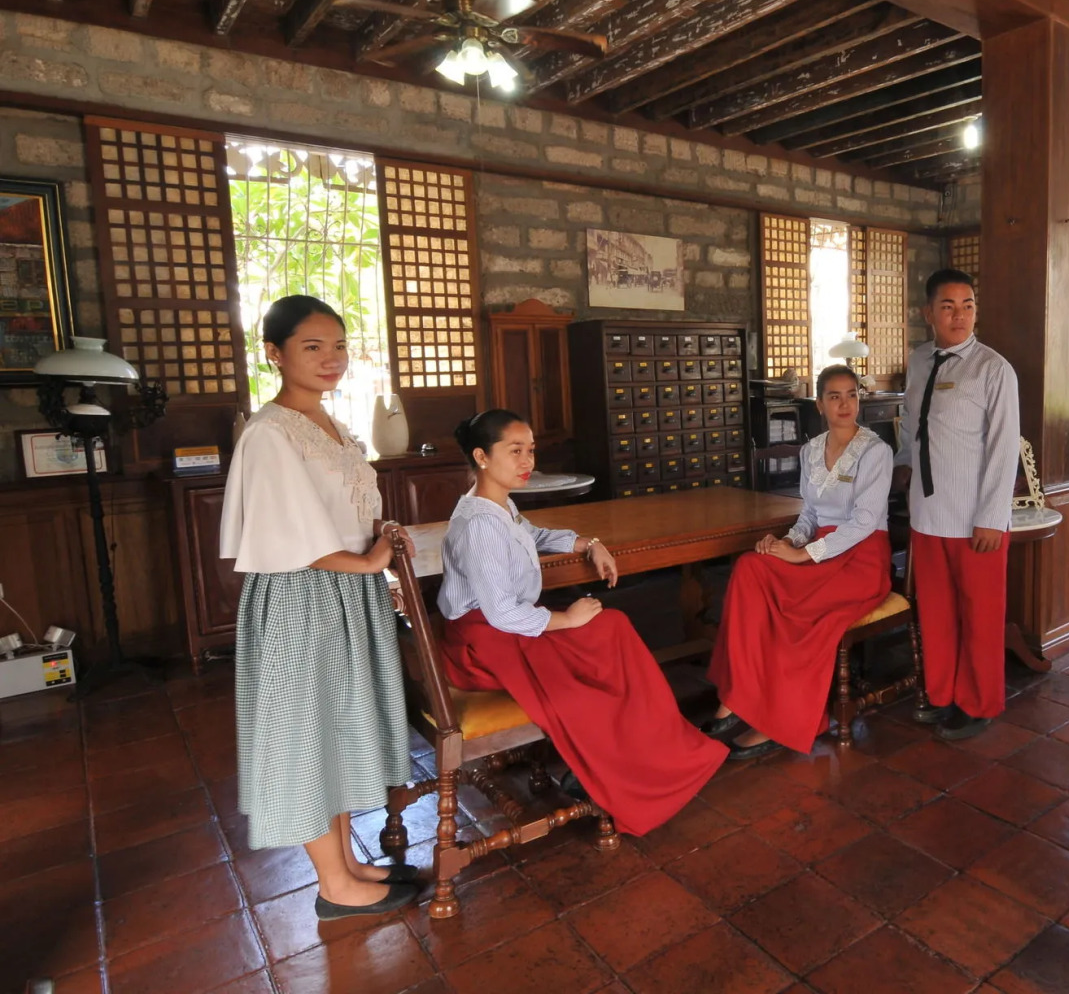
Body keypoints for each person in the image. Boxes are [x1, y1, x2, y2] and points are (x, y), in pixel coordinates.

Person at [220, 294, 418, 921]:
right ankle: (334, 886)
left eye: (339, 345)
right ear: (274, 354)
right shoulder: (270, 433)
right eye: (312, 346)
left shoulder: (329, 425)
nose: (331, 358)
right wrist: (368, 562)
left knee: (335, 730)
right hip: (301, 600)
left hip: (345, 593)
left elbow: (341, 511)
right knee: (307, 735)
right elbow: (284, 536)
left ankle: (348, 864)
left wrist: (380, 537)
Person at [437, 410, 726, 836]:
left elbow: (533, 535)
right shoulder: (479, 524)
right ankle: (624, 769)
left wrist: (588, 543)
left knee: (613, 628)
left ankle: (651, 749)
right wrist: (567, 619)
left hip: (505, 628)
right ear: (482, 456)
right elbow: (501, 612)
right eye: (515, 451)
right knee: (597, 659)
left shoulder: (497, 505)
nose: (527, 461)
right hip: (484, 643)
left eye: (530, 450)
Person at [706, 365, 895, 759]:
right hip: (819, 550)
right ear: (820, 404)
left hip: (861, 559)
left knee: (797, 615)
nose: (845, 404)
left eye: (851, 394)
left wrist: (802, 554)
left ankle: (777, 722)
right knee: (751, 568)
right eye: (834, 396)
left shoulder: (876, 452)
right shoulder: (811, 451)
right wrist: (787, 542)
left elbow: (863, 523)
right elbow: (809, 514)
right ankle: (737, 694)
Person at [893, 268, 1020, 741]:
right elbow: (911, 424)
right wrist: (903, 463)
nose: (959, 315)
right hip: (928, 514)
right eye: (948, 307)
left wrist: (991, 517)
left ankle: (979, 702)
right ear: (928, 313)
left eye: (967, 306)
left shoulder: (993, 369)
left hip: (974, 519)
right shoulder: (919, 360)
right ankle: (942, 693)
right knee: (937, 612)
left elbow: (1004, 448)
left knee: (980, 615)